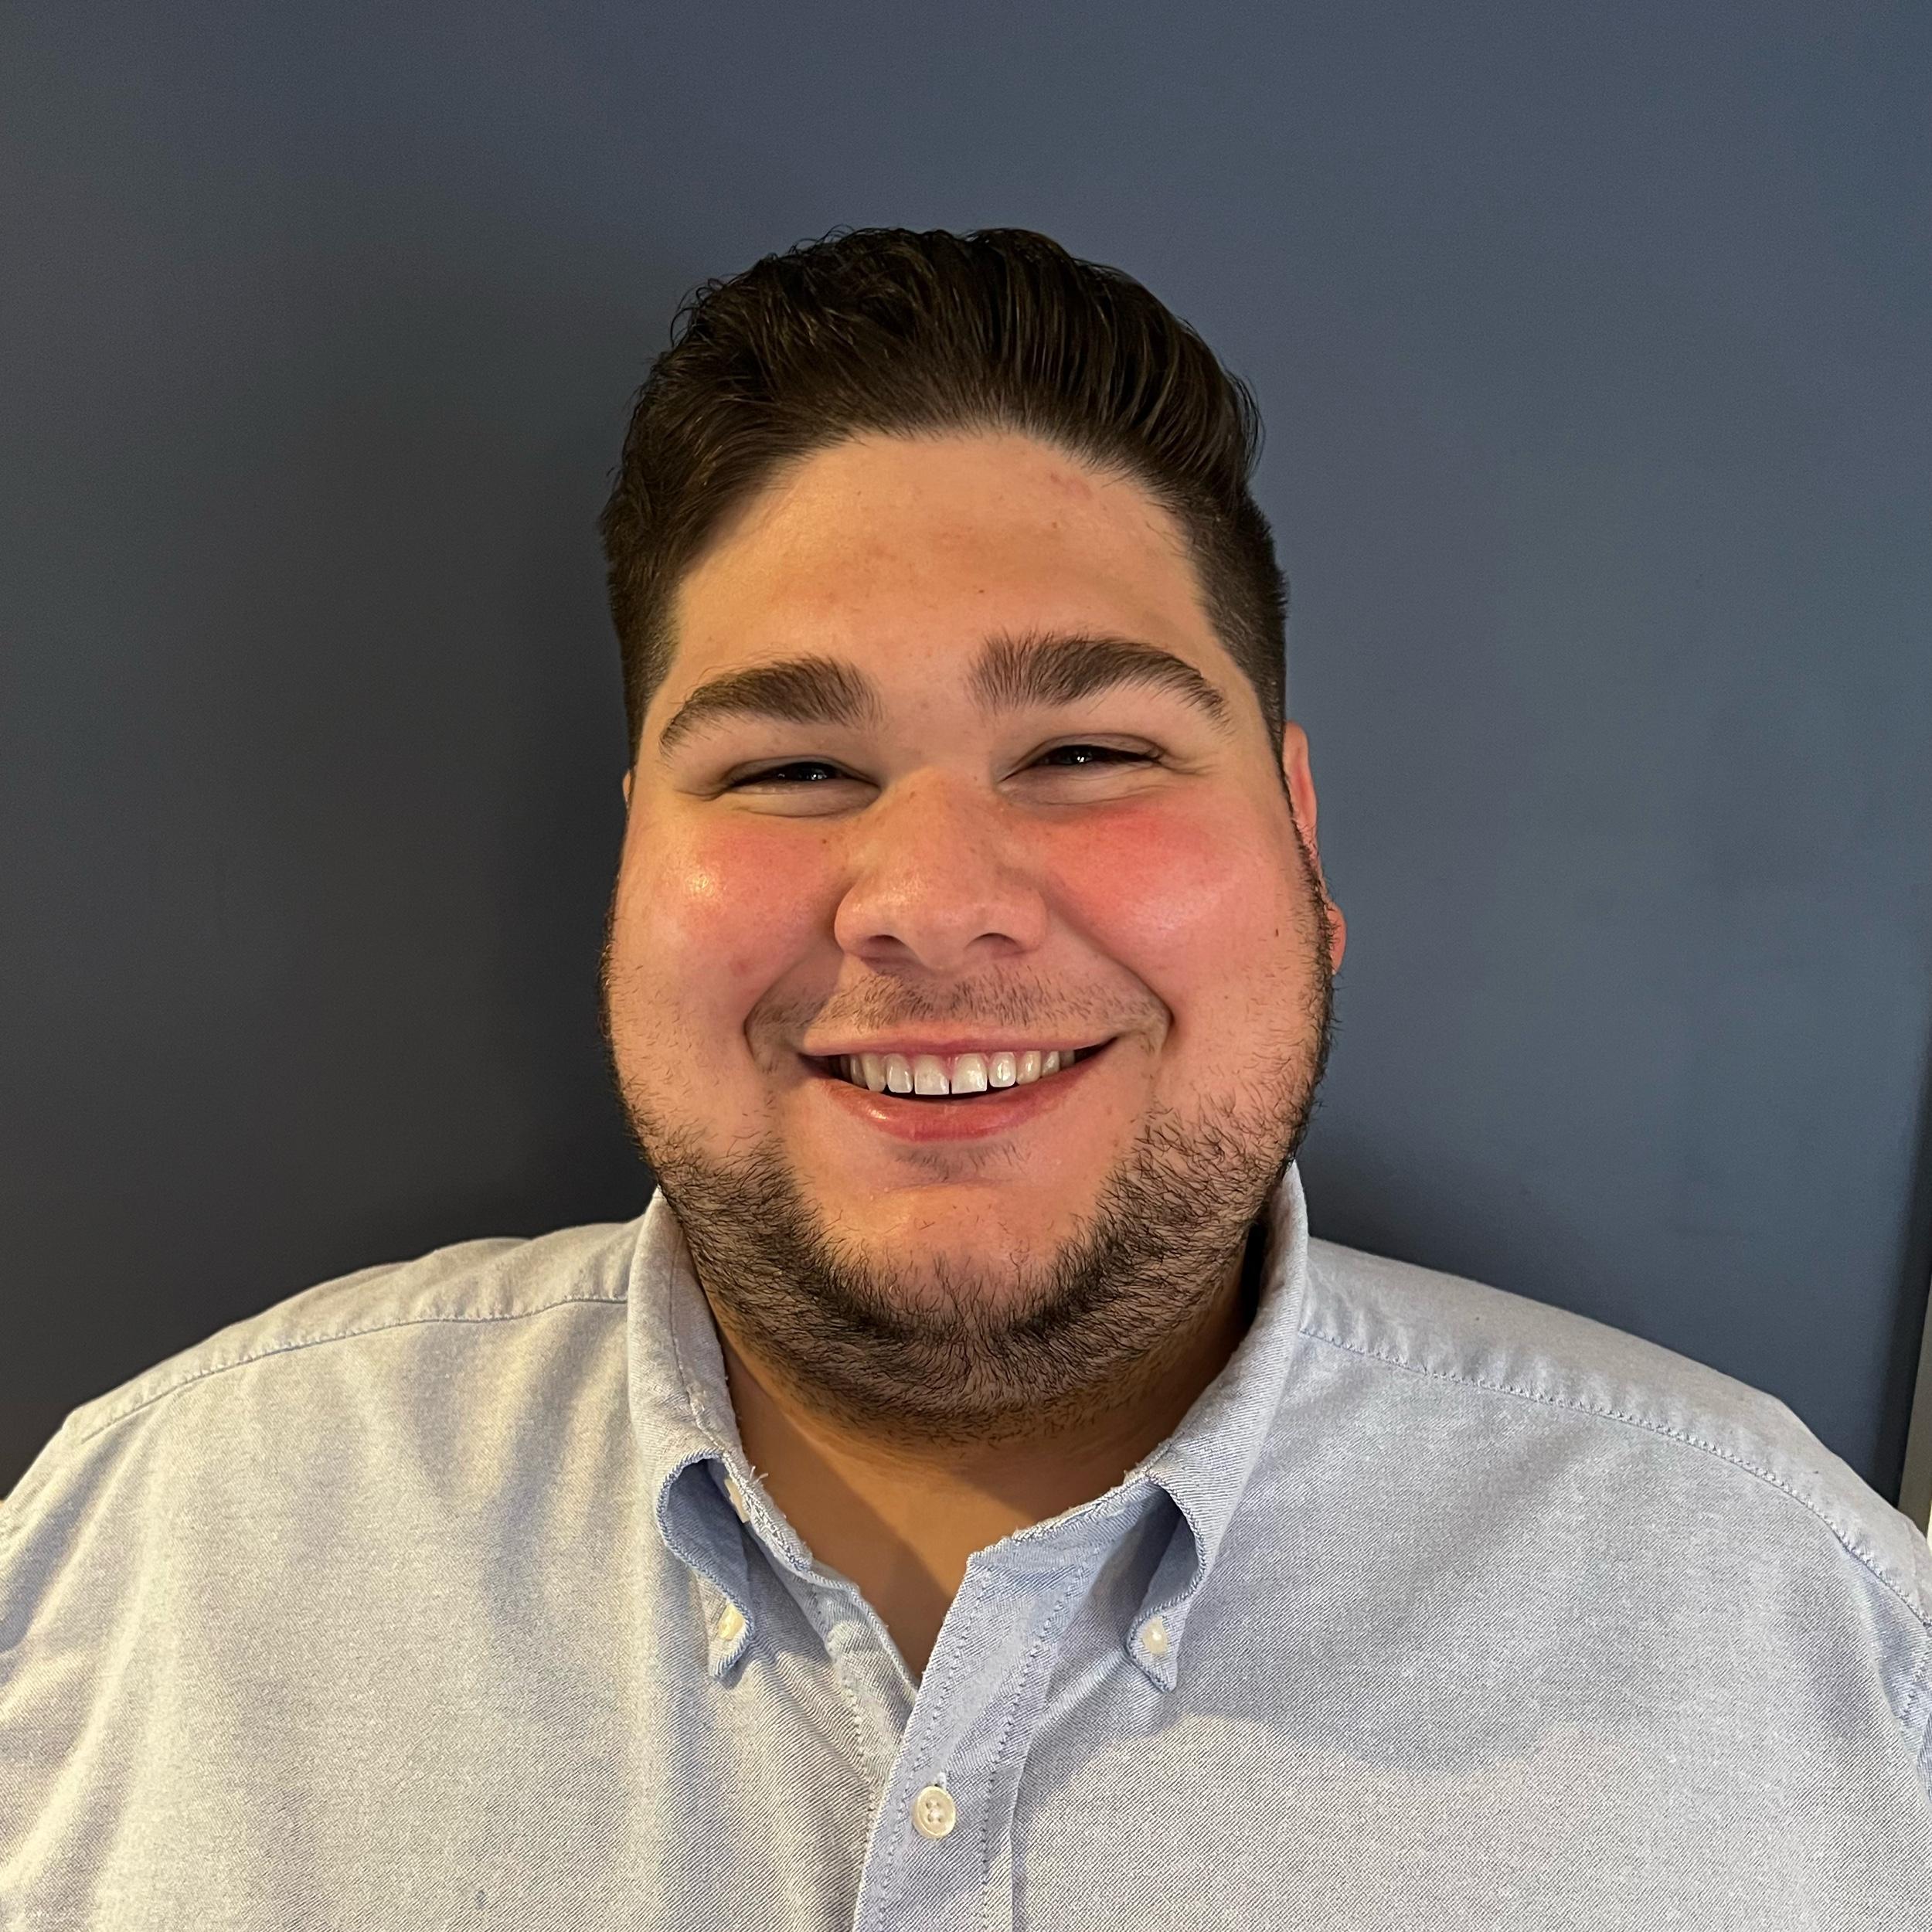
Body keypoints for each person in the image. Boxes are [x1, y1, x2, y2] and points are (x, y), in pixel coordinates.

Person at [2, 227, 1925, 1928]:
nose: (928, 902)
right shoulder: (143, 1568)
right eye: (787, 768)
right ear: (632, 852)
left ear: (1298, 835)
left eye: (1087, 752)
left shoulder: (1803, 1627)